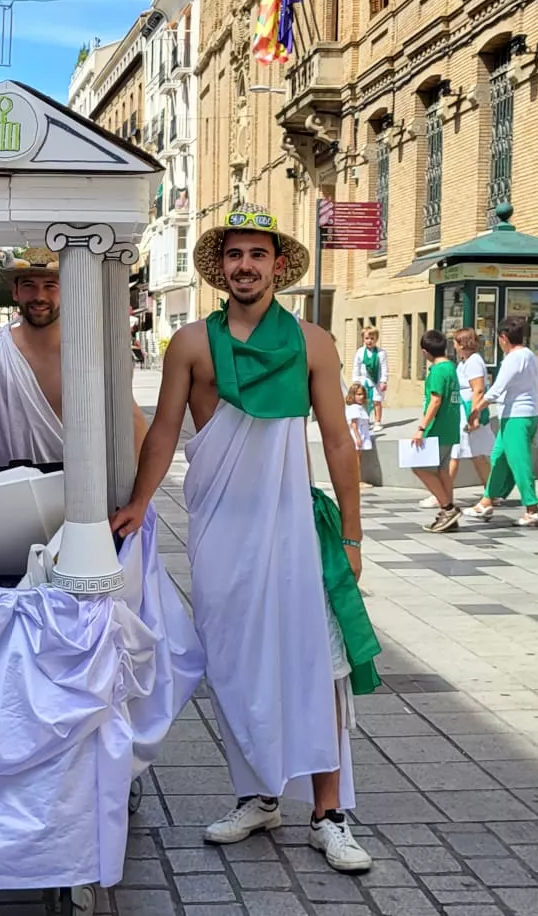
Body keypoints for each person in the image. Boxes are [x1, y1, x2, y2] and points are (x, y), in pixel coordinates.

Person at [112, 206, 380, 874]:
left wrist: (351, 535)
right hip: (219, 531)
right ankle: (259, 796)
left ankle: (329, 812)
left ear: (279, 265)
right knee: (233, 666)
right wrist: (140, 505)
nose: (246, 266)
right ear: (220, 267)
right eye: (235, 256)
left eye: (258, 255)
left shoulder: (314, 343)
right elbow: (166, 431)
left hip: (292, 530)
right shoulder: (191, 345)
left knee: (318, 662)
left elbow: (340, 443)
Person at [0, 248, 148, 470]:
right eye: (29, 286)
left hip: (90, 491)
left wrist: (133, 495)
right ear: (16, 292)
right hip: (19, 494)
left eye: (50, 286)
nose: (39, 296)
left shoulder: (97, 351)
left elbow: (131, 421)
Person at [464, 315, 538, 527]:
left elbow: (497, 389)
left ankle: (532, 508)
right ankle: (486, 501)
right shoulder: (530, 356)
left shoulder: (513, 358)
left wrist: (476, 410)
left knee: (520, 463)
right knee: (499, 458)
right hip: (525, 414)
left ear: (503, 338)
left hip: (516, 416)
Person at [411, 330, 461, 533]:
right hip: (450, 427)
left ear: (425, 352)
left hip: (436, 428)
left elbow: (436, 399)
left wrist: (421, 427)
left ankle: (448, 508)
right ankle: (449, 515)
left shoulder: (438, 371)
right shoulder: (451, 367)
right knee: (442, 470)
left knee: (419, 466)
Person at [442, 328, 493, 505]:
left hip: (468, 413)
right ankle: (492, 490)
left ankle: (442, 493)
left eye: (455, 342)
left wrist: (474, 417)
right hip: (463, 411)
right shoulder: (466, 362)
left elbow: (478, 389)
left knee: (455, 453)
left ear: (462, 344)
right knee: (476, 454)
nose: (454, 346)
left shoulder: (474, 363)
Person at [352, 327, 388, 429]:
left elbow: (384, 368)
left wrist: (383, 381)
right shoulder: (360, 352)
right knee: (364, 401)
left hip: (376, 381)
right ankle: (365, 420)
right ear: (363, 339)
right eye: (367, 338)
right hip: (364, 380)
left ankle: (377, 421)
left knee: (377, 401)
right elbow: (356, 366)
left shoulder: (381, 353)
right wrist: (356, 380)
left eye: (372, 338)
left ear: (376, 339)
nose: (369, 341)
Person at [345, 383, 374, 452]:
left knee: (359, 455)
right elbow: (353, 424)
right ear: (352, 395)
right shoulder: (355, 408)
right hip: (357, 435)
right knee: (356, 456)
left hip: (362, 434)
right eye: (359, 394)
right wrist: (358, 438)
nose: (361, 397)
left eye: (363, 394)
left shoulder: (360, 407)